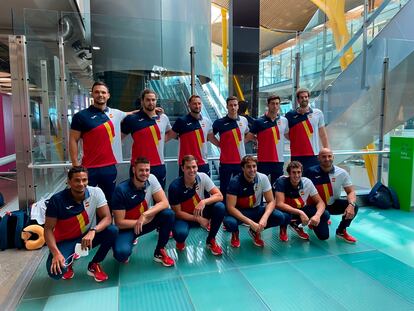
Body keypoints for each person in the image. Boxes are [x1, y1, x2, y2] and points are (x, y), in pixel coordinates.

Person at [44, 166, 118, 282]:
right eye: (77, 180)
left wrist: (94, 230)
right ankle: (68, 261)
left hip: (86, 236)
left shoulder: (96, 192)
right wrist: (56, 253)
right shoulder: (56, 200)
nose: (81, 184)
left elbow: (107, 218)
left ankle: (94, 264)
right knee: (57, 273)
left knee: (112, 230)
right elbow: (48, 229)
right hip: (65, 241)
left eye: (84, 180)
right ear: (69, 182)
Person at [69, 81, 128, 202]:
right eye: (97, 92)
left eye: (103, 92)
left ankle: (107, 221)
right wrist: (75, 166)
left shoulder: (115, 113)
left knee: (108, 201)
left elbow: (131, 114)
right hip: (88, 168)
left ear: (108, 95)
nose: (100, 95)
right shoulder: (80, 116)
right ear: (92, 95)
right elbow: (73, 140)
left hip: (109, 168)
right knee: (86, 201)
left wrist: (154, 111)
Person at [111, 157, 175, 266]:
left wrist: (145, 215)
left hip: (143, 222)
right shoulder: (121, 190)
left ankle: (159, 251)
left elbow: (164, 202)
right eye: (141, 170)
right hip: (126, 228)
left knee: (168, 214)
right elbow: (120, 223)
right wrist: (141, 221)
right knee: (121, 255)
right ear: (133, 170)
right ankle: (127, 241)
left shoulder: (151, 179)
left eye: (147, 170)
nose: (145, 173)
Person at [223, 155, 290, 247]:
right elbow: (230, 208)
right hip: (239, 212)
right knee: (230, 223)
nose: (252, 169)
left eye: (254, 166)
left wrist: (264, 218)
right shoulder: (235, 182)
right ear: (243, 168)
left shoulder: (263, 178)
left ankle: (255, 231)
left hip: (256, 209)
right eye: (249, 167)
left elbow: (271, 201)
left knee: (280, 217)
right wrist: (250, 223)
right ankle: (235, 234)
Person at [168, 155, 225, 255]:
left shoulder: (202, 177)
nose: (192, 170)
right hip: (185, 217)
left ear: (197, 167)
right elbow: (177, 213)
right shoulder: (174, 187)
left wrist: (204, 202)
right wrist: (198, 219)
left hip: (201, 212)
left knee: (220, 207)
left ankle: (211, 240)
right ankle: (180, 241)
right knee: (180, 234)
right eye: (188, 167)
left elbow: (219, 195)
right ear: (182, 168)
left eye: (194, 167)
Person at [121, 89, 172, 188]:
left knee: (159, 198)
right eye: (148, 100)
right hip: (138, 166)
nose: (151, 102)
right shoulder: (132, 119)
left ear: (156, 101)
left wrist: (160, 141)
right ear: (142, 101)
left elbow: (170, 133)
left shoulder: (163, 118)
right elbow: (119, 137)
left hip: (159, 166)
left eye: (153, 100)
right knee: (137, 198)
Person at [305, 148, 358, 243]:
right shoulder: (310, 172)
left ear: (333, 157)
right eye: (324, 156)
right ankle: (313, 220)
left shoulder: (342, 173)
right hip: (316, 207)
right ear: (318, 158)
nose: (327, 159)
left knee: (354, 206)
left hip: (332, 204)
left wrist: (351, 205)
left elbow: (351, 191)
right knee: (323, 237)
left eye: (329, 156)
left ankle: (341, 231)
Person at [274, 161, 330, 241]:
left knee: (325, 215)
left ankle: (295, 224)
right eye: (293, 172)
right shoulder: (281, 182)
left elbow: (320, 202)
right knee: (283, 216)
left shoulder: (307, 182)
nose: (296, 175)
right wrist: (300, 213)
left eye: (299, 172)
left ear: (302, 172)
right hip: (286, 211)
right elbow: (279, 204)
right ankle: (283, 227)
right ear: (289, 174)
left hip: (301, 208)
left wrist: (317, 216)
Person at [168, 95, 219, 176]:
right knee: (185, 188)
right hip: (186, 164)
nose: (197, 106)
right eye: (194, 104)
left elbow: (211, 138)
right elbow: (170, 136)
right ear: (189, 105)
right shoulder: (181, 121)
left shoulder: (207, 121)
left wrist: (223, 146)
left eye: (199, 103)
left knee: (204, 188)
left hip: (203, 163)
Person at [212, 96, 250, 199]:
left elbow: (248, 133)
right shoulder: (219, 122)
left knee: (241, 187)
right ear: (227, 107)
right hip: (226, 162)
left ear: (238, 106)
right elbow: (210, 136)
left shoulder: (244, 120)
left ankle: (239, 209)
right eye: (231, 105)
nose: (233, 107)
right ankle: (225, 211)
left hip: (241, 162)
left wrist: (243, 142)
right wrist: (219, 144)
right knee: (225, 188)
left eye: (235, 105)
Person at [247, 94, 288, 187]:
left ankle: (276, 202)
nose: (275, 106)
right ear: (268, 105)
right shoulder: (259, 121)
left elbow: (287, 135)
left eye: (277, 104)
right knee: (260, 187)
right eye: (273, 103)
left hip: (279, 160)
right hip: (263, 160)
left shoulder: (284, 120)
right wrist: (258, 140)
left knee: (277, 187)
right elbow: (249, 137)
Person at [285, 88, 329, 172]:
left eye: (306, 97)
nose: (304, 99)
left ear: (308, 98)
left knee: (313, 179)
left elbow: (323, 134)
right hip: (296, 155)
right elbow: (286, 133)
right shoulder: (290, 115)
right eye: (301, 97)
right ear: (298, 100)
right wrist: (297, 139)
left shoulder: (318, 113)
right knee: (297, 180)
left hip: (313, 155)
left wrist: (327, 151)